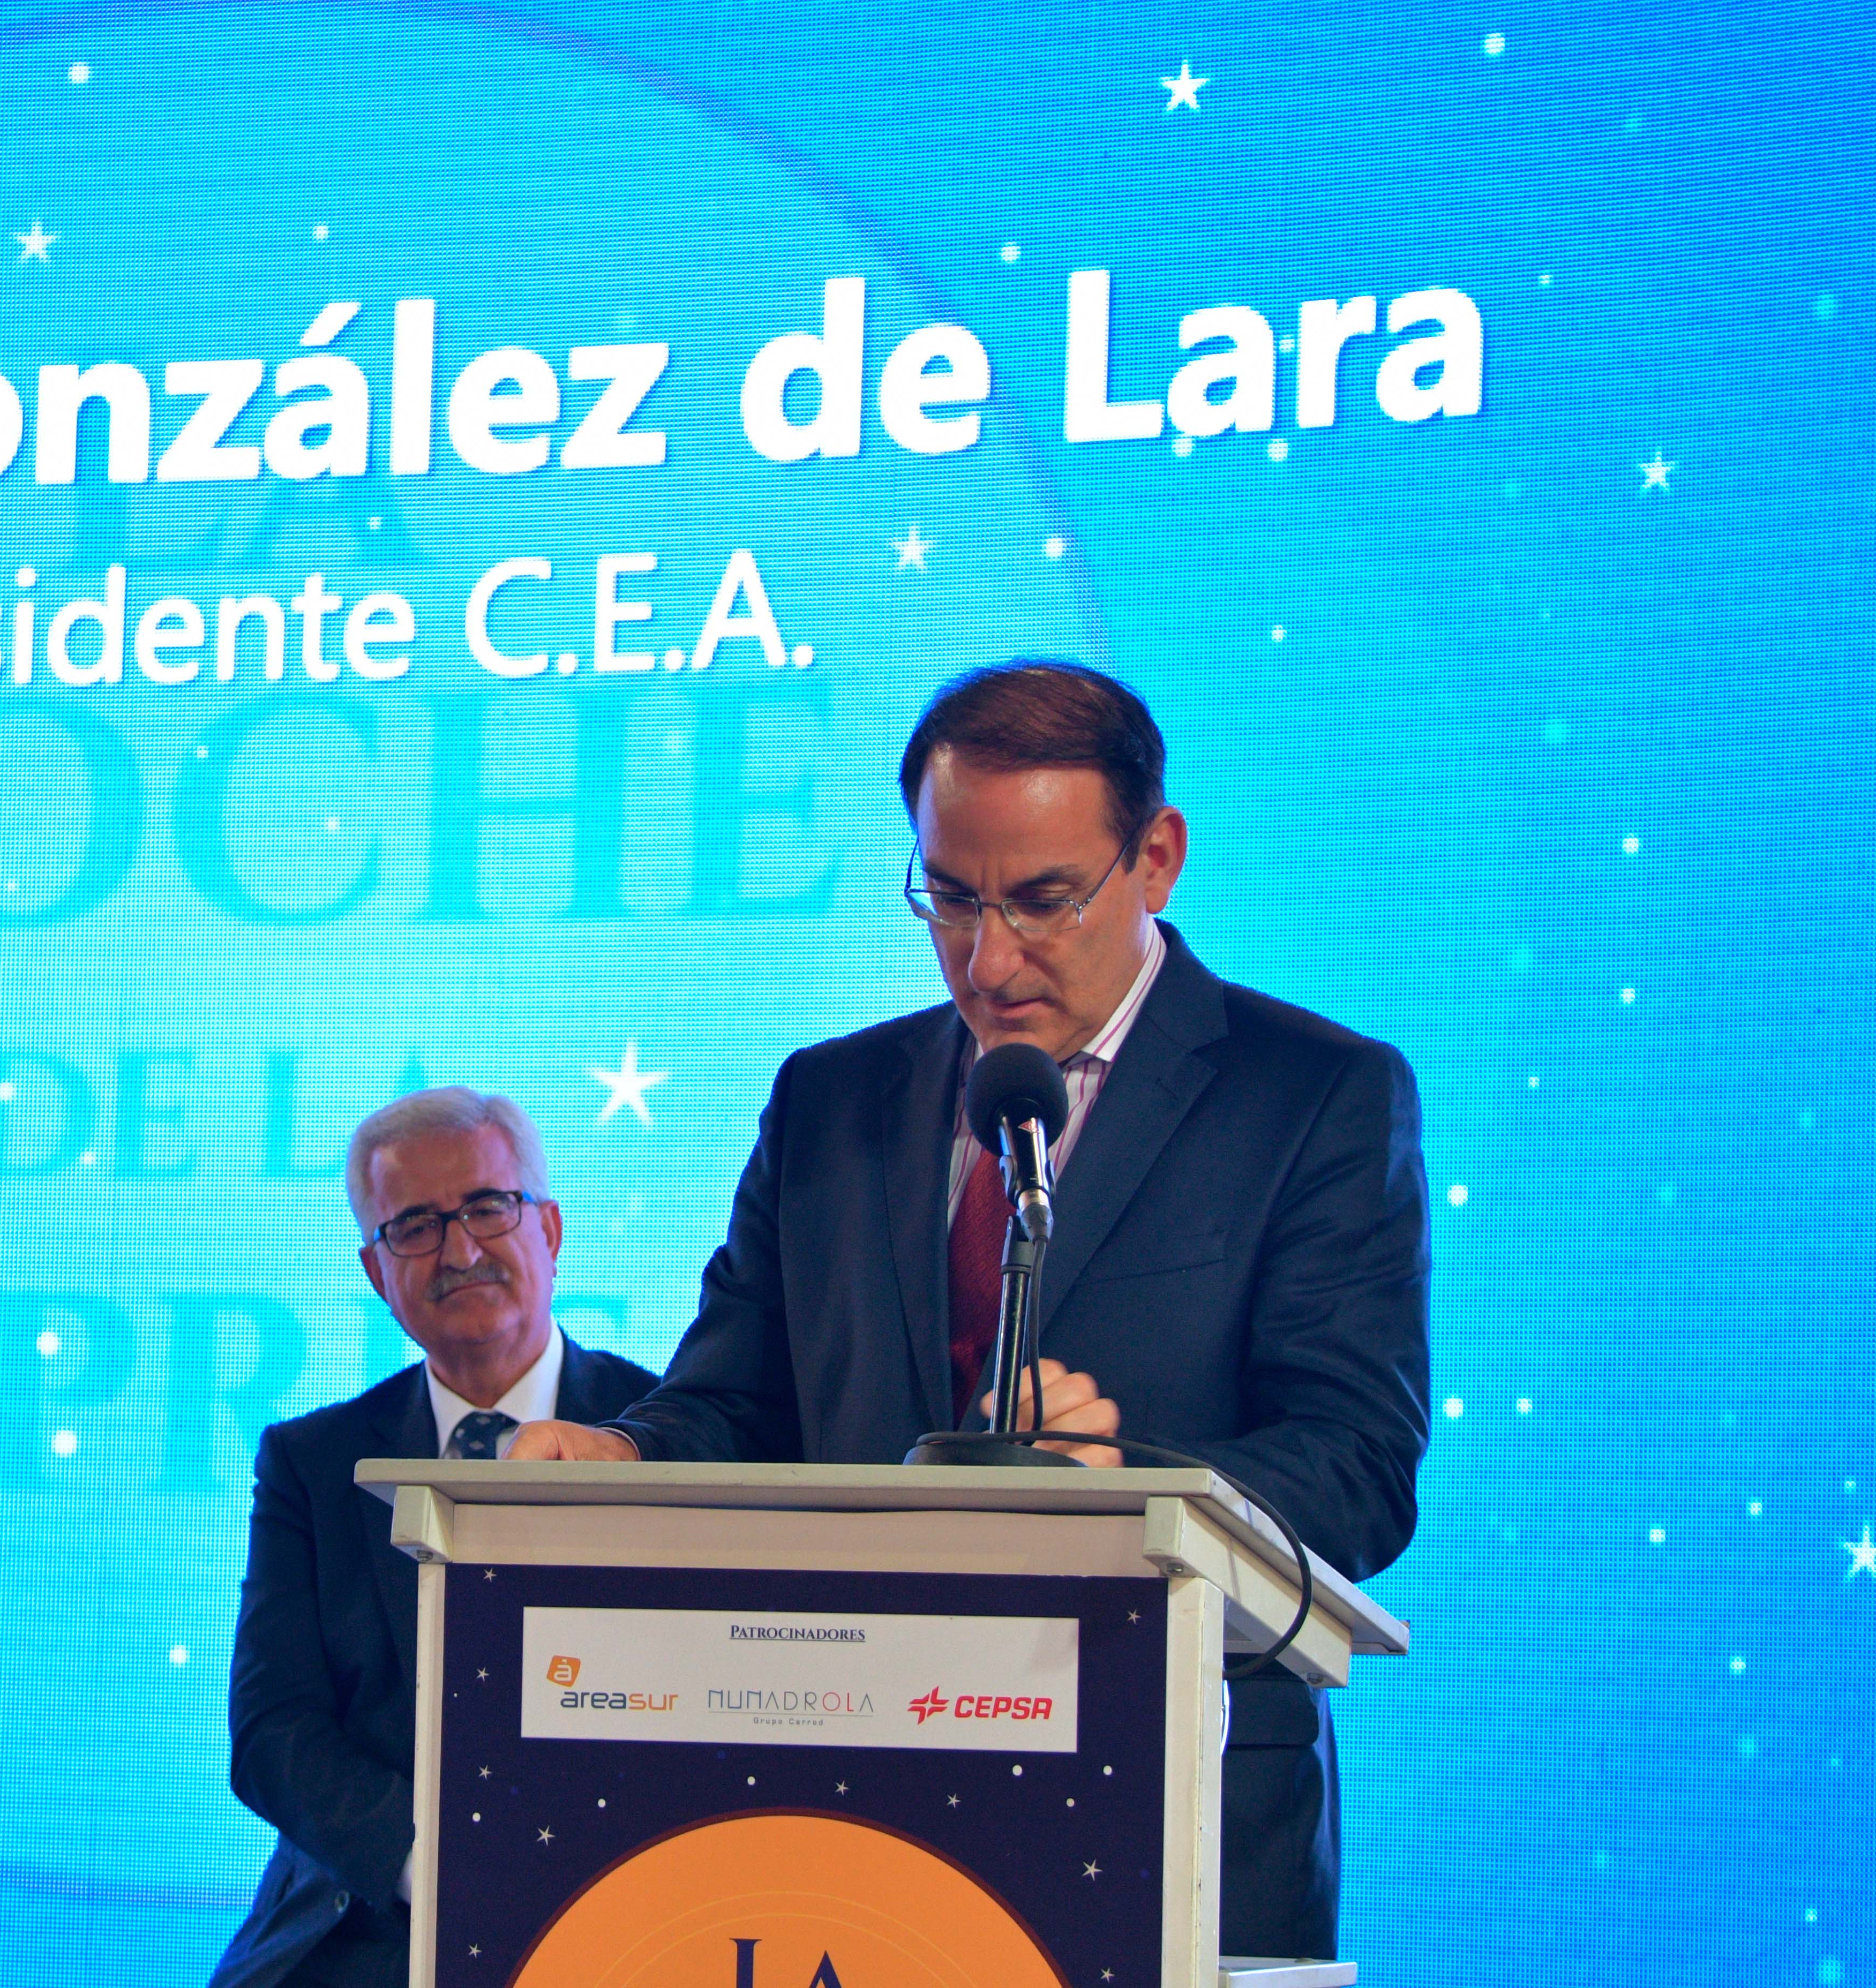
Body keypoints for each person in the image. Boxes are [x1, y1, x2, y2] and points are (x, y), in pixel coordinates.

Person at [512, 661, 1431, 1960]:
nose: (987, 959)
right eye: (949, 897)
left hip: (1168, 1791)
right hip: (836, 1787)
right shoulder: (831, 1099)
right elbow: (734, 1400)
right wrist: (626, 1451)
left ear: (1157, 858)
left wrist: (1130, 1479)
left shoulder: (1312, 1097)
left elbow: (1357, 1467)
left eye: (1043, 900)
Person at [211, 1089, 659, 1988]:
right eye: (415, 1227)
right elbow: (273, 1733)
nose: (460, 1252)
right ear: (378, 1274)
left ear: (551, 1231)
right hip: (372, 1916)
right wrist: (442, 1870)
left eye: (489, 1208)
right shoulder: (315, 1464)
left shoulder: (666, 1432)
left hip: (627, 1902)